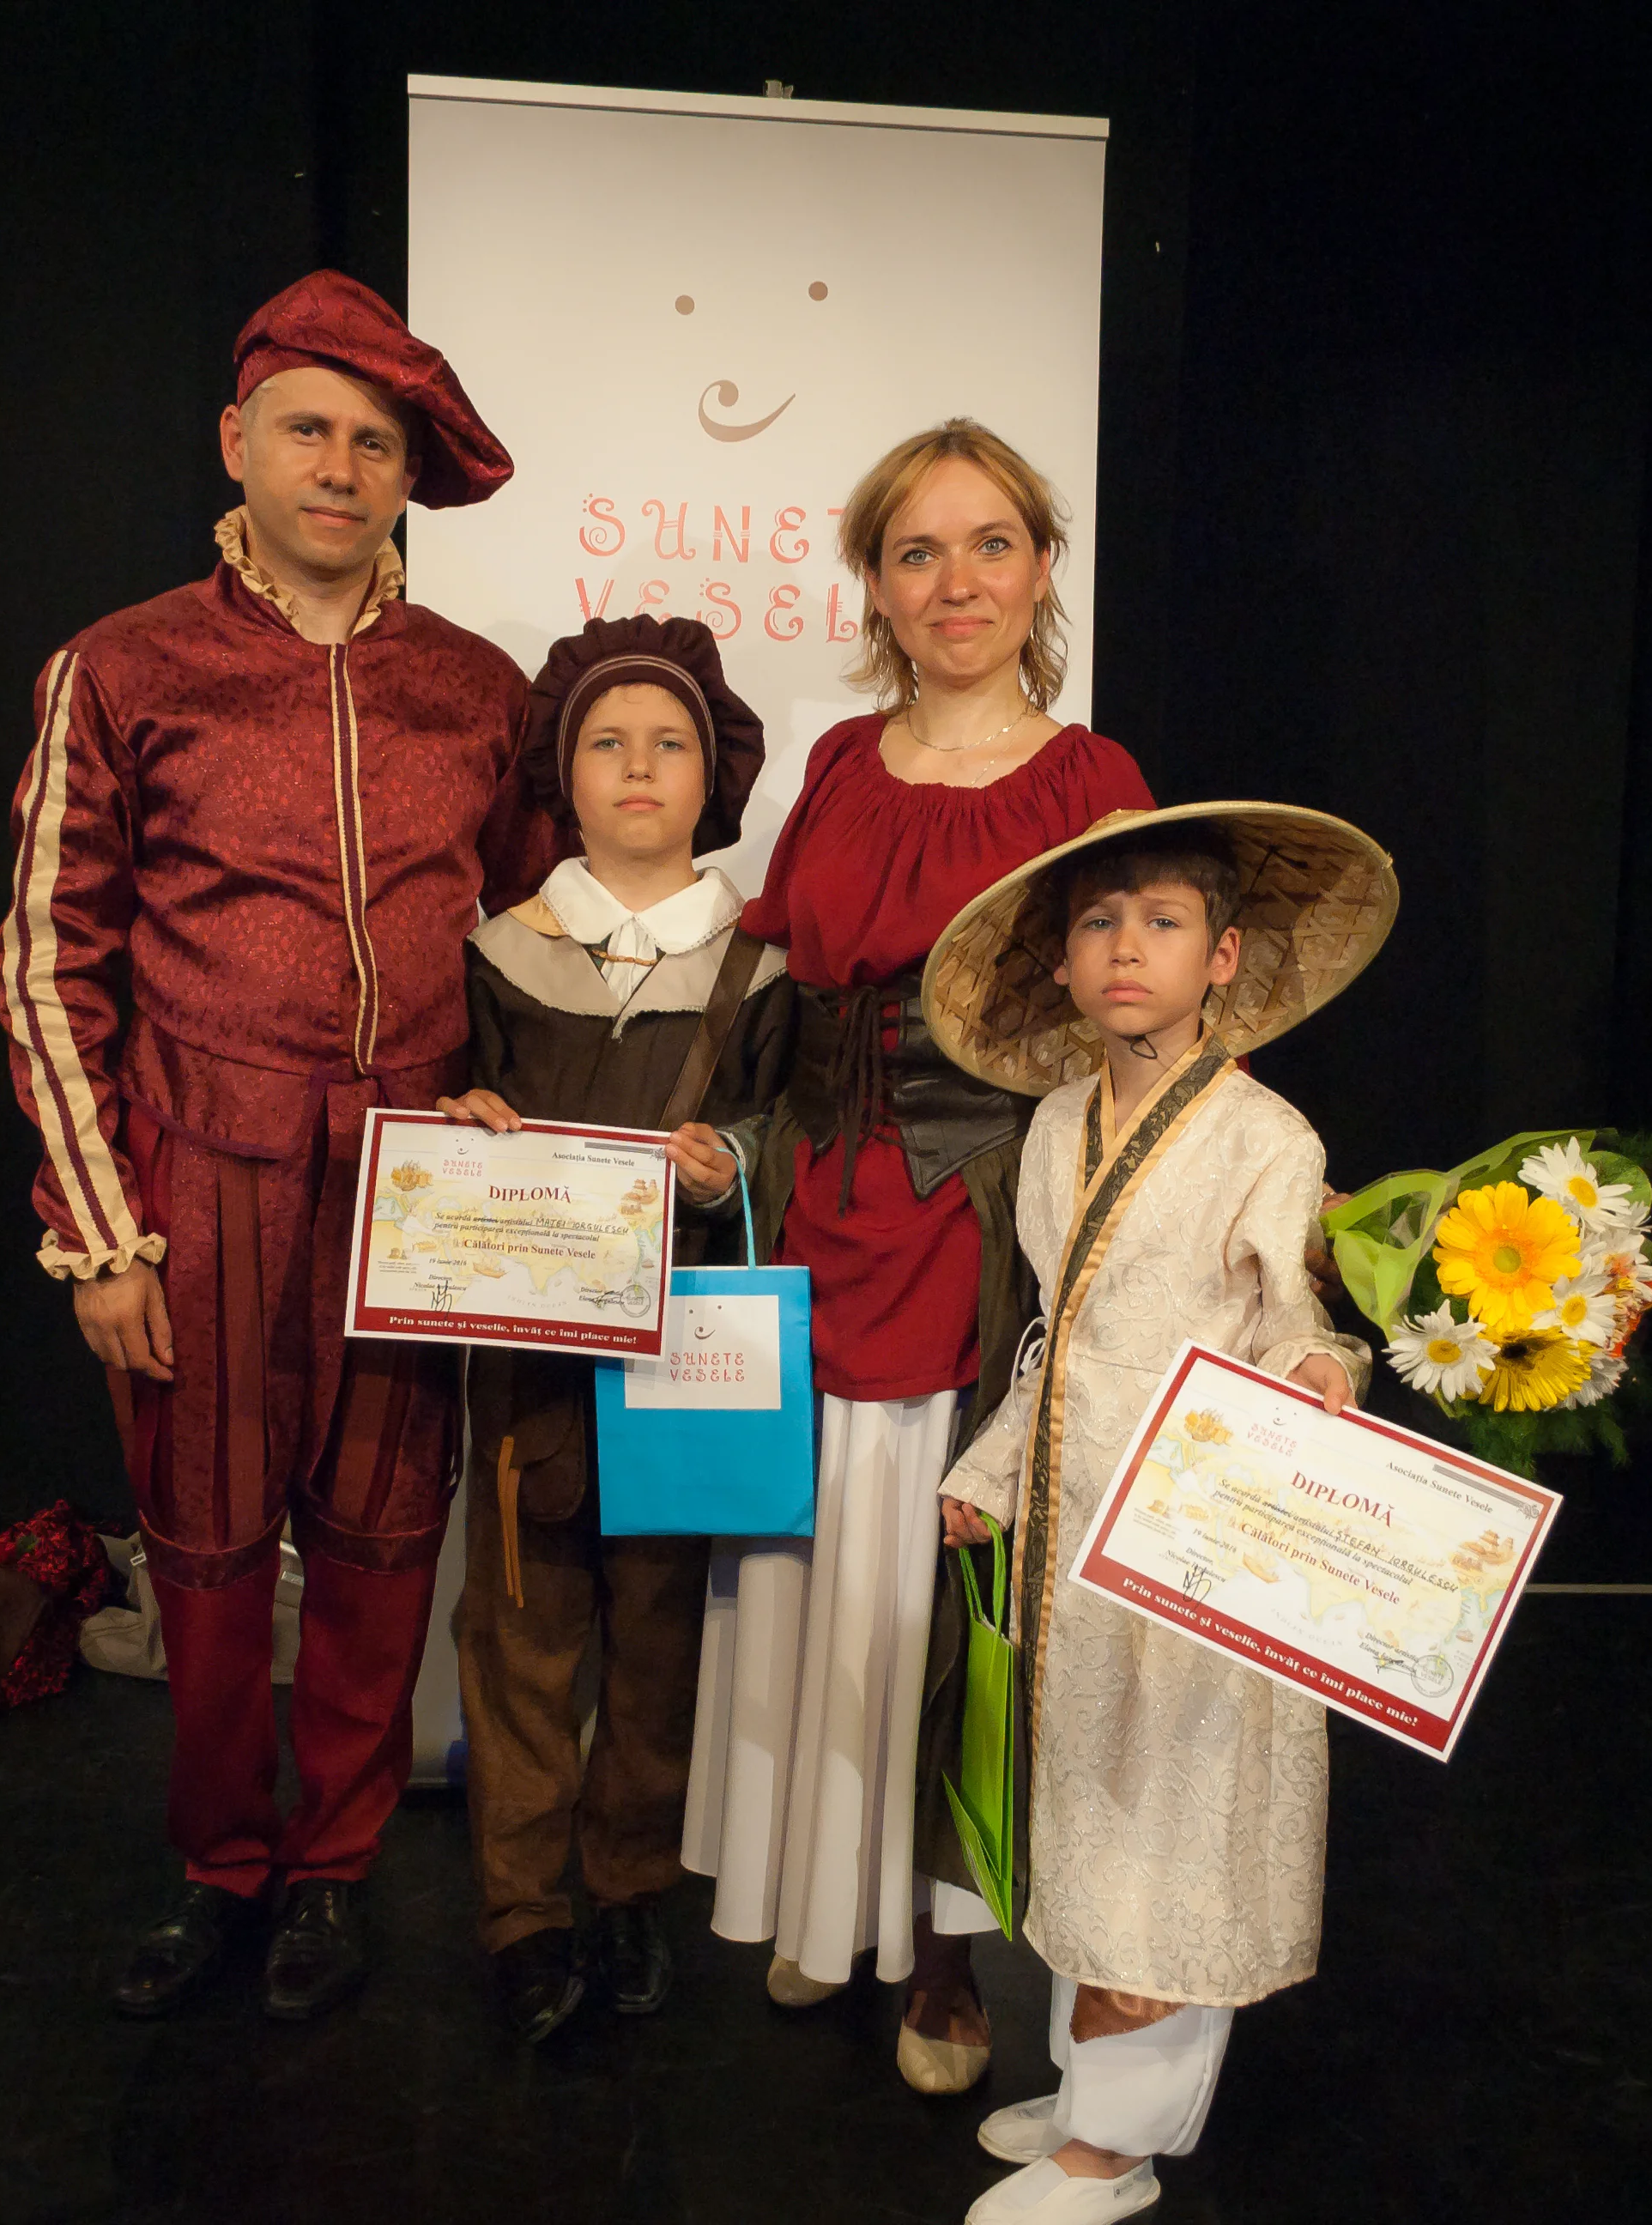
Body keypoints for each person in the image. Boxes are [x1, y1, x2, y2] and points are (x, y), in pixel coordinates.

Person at [0, 270, 559, 2021]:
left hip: (410, 1183)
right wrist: (100, 1232)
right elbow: (46, 961)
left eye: (374, 443)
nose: (339, 466)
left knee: (385, 1540)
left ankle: (331, 1873)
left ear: (407, 478)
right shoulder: (125, 665)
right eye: (309, 430)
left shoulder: (474, 689)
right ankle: (220, 1863)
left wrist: (510, 1116)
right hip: (203, 1177)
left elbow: (531, 929)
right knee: (210, 1547)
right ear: (236, 439)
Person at [681, 420, 1153, 2095]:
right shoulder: (832, 761)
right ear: (873, 585)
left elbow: (1135, 1024)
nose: (956, 583)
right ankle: (820, 1898)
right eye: (917, 552)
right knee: (805, 1569)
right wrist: (723, 1148)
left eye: (989, 544)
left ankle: (942, 1956)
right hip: (817, 1202)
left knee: (934, 1583)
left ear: (1040, 567)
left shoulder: (1089, 783)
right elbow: (777, 992)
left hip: (982, 1228)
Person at [923, 803, 1391, 2221]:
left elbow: (1293, 1308)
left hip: (1193, 1522)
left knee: (1169, 1824)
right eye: (1097, 920)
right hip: (1070, 1526)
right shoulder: (1053, 1125)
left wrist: (1317, 1367)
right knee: (1084, 1807)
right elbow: (1058, 1338)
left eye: (1163, 921)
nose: (1127, 946)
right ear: (1062, 963)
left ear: (1221, 957)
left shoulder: (1264, 1131)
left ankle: (1115, 2153)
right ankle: (1089, 2090)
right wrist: (988, 1475)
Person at [438, 615, 796, 2043]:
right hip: (528, 1367)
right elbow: (443, 1130)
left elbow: (790, 1128)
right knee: (518, 1632)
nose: (638, 767)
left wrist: (732, 1163)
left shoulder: (761, 966)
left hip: (680, 1360)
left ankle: (631, 1886)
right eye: (605, 743)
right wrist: (464, 1128)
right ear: (559, 774)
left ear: (715, 777)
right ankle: (522, 1911)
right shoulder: (494, 955)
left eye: (668, 744)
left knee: (657, 1635)